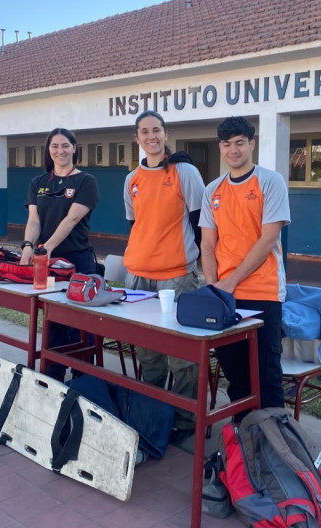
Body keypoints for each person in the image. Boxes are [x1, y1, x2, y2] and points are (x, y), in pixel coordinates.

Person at [200, 116, 291, 419]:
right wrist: (214, 286)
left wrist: (230, 281)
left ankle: (275, 446)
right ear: (220, 148)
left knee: (266, 377)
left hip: (262, 293)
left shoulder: (270, 181)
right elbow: (208, 244)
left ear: (252, 144)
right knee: (236, 376)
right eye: (227, 144)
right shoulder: (213, 189)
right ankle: (245, 440)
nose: (233, 149)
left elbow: (268, 240)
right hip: (224, 297)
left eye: (240, 142)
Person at [123, 110, 205, 443]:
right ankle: (155, 413)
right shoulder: (131, 180)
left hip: (178, 275)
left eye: (156, 130)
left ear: (166, 135)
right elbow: (135, 226)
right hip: (139, 276)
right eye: (144, 131)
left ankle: (186, 423)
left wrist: (201, 268)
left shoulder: (185, 172)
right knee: (148, 350)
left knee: (182, 354)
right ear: (137, 138)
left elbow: (201, 224)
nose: (151, 136)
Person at [21, 127, 100, 381]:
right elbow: (34, 221)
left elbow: (72, 218)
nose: (60, 151)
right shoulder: (38, 183)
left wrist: (48, 246)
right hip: (48, 263)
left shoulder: (86, 181)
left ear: (74, 148)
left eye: (65, 145)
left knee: (79, 322)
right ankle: (52, 376)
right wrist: (28, 246)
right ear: (48, 151)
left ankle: (82, 377)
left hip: (77, 260)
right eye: (55, 146)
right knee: (53, 320)